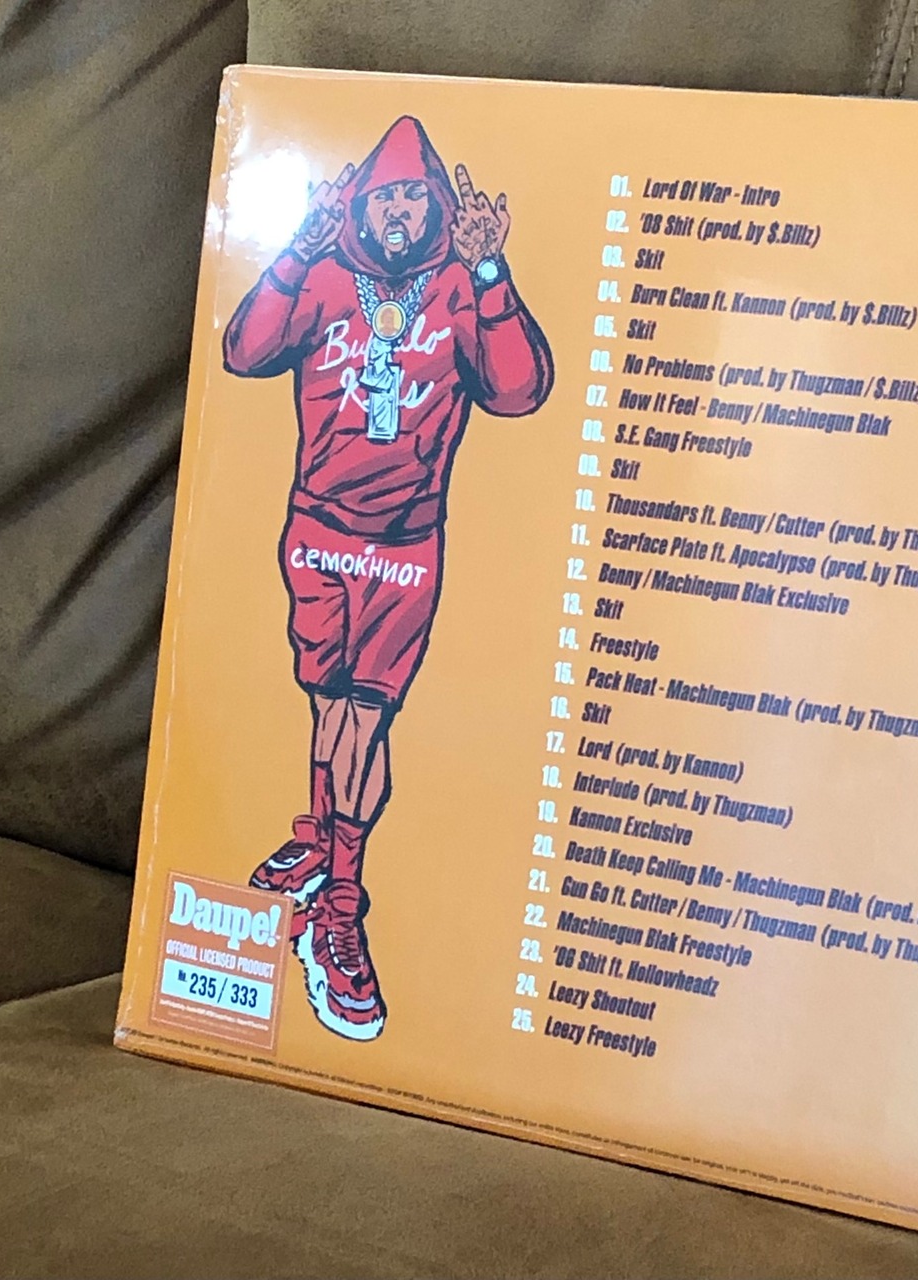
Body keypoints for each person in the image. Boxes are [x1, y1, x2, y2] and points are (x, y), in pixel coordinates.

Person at [223, 116, 554, 1040]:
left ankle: (340, 910)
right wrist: (299, 245)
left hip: (403, 546)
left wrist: (492, 272)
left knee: (364, 719)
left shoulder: (459, 287)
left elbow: (520, 390)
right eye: (385, 197)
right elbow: (244, 351)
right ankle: (319, 836)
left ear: (437, 204)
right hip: (315, 532)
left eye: (414, 195)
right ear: (361, 207)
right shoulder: (328, 275)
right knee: (327, 704)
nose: (400, 211)